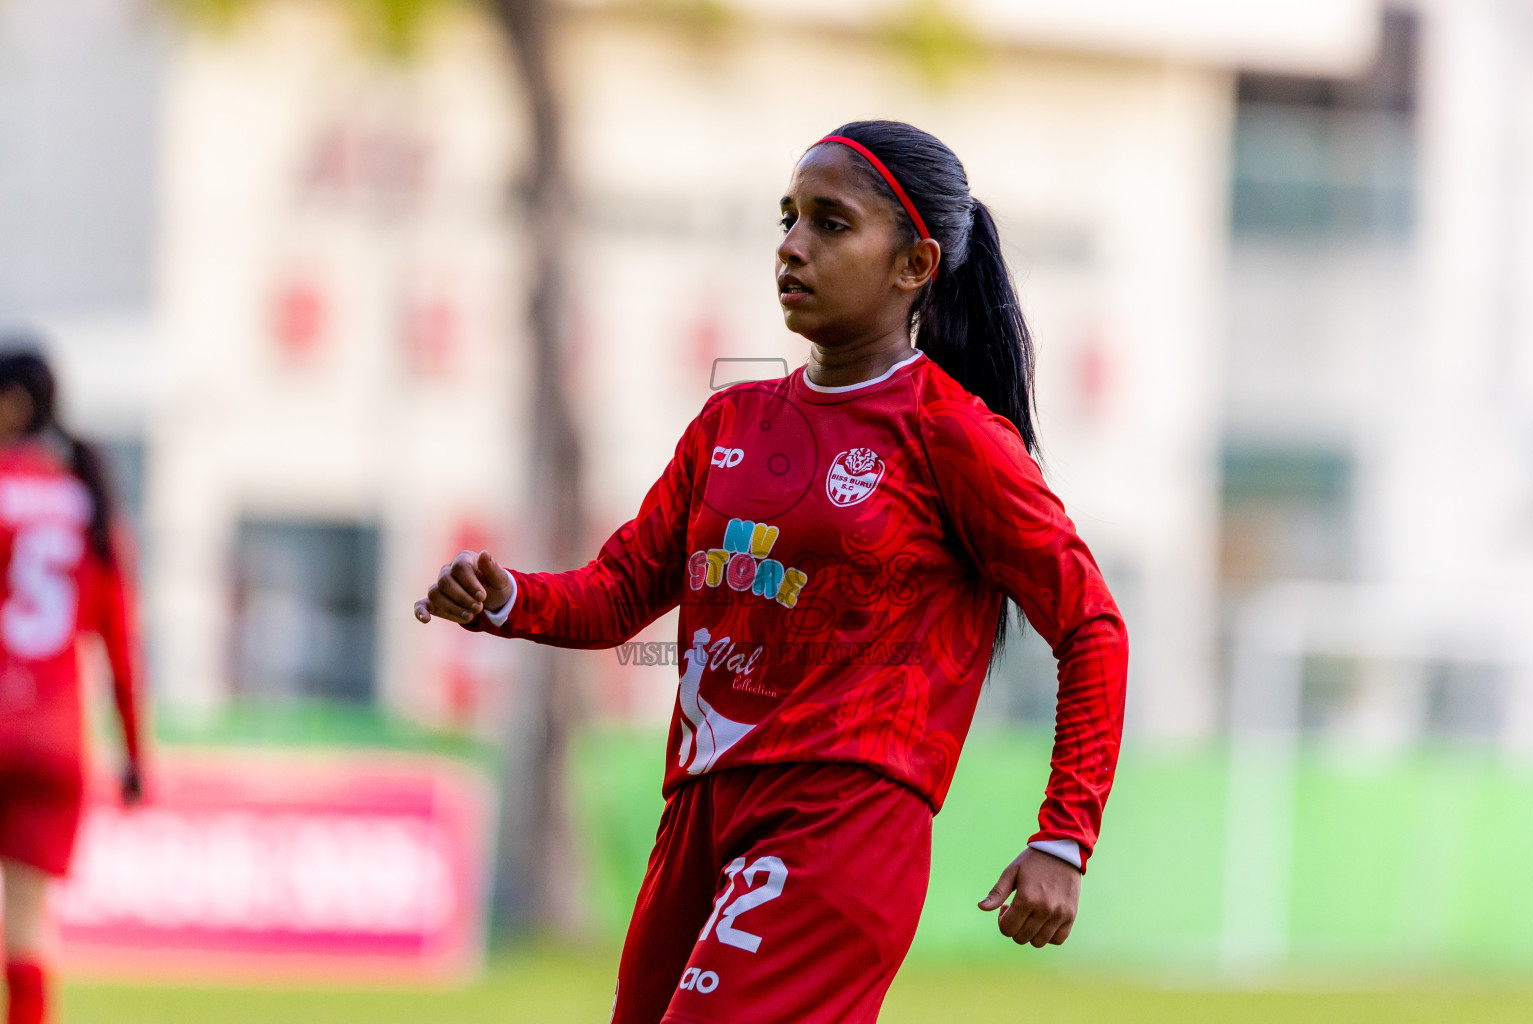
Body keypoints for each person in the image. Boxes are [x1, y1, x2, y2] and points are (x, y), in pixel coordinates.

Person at [415, 120, 1129, 1023]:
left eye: (830, 224)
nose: (791, 246)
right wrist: (507, 597)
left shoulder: (950, 435)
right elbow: (618, 593)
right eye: (787, 218)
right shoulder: (732, 422)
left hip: (841, 816)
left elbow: (1092, 623)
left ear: (916, 265)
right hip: (702, 811)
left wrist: (1064, 836)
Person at [0, 346, 143, 1024]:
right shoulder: (89, 501)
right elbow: (120, 647)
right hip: (54, 744)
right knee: (26, 931)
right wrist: (135, 755)